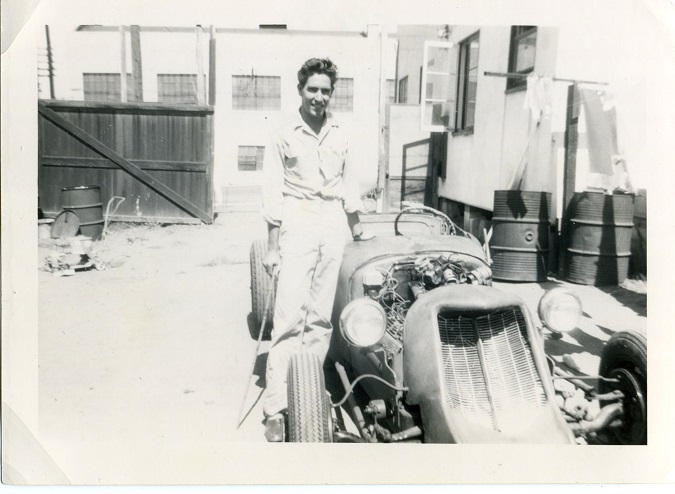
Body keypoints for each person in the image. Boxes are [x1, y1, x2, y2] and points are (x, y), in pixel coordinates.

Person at [260, 57, 373, 440]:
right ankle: (276, 406)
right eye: (313, 89)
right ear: (300, 90)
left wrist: (358, 232)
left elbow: (350, 184)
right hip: (297, 219)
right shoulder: (282, 130)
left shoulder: (342, 131)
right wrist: (273, 246)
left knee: (322, 317)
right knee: (290, 315)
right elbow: (272, 188)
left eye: (326, 90)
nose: (319, 97)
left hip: (332, 224)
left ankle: (307, 390)